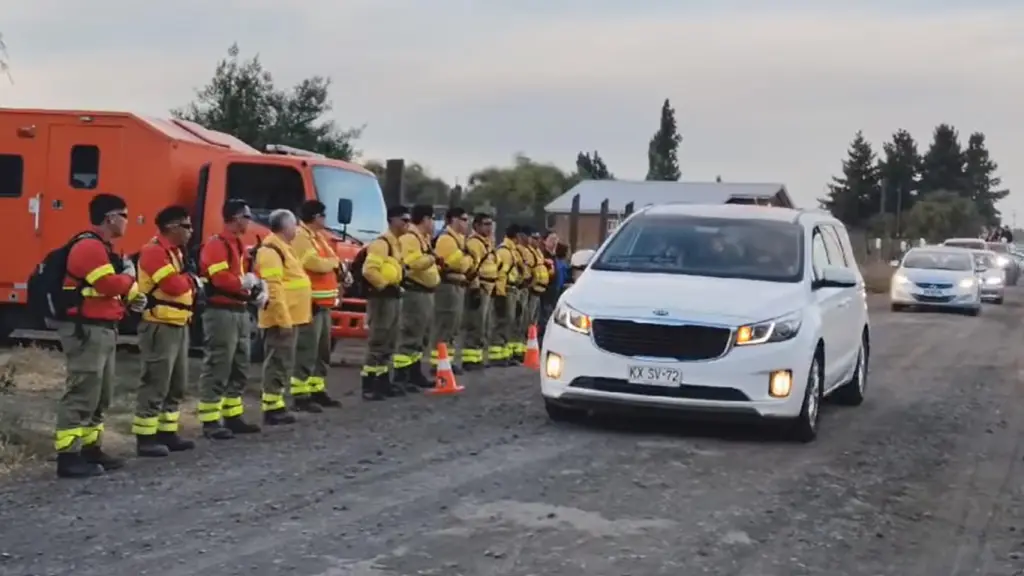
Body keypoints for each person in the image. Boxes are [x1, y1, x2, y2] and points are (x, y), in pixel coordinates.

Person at [54, 193, 144, 478]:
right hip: (87, 330)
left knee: (100, 394)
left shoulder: (103, 248)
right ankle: (68, 456)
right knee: (82, 391)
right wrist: (130, 277)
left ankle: (91, 449)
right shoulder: (89, 247)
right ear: (110, 218)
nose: (128, 222)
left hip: (102, 329)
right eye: (125, 215)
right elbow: (108, 284)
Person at [132, 205, 199, 458]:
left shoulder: (174, 253)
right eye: (186, 226)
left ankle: (166, 432)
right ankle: (145, 437)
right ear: (172, 227)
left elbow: (182, 283)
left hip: (178, 323)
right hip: (159, 324)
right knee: (155, 381)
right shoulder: (153, 252)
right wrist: (192, 281)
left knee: (176, 384)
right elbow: (173, 286)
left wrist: (188, 281)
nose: (191, 231)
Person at [197, 200, 264, 440]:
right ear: (235, 217)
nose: (249, 220)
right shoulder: (217, 244)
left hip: (238, 310)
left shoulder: (238, 245)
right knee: (219, 363)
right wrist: (242, 284)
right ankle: (210, 419)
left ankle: (232, 415)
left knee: (239, 364)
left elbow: (242, 275)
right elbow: (220, 278)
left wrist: (255, 285)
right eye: (247, 216)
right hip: (221, 311)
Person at [254, 209, 312, 425]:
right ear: (285, 227)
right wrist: (284, 320)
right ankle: (271, 408)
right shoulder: (271, 250)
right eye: (294, 225)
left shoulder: (284, 248)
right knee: (277, 361)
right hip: (280, 318)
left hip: (291, 316)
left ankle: (276, 404)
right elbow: (274, 288)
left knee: (283, 362)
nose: (296, 229)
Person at [290, 200, 343, 411]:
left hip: (324, 304)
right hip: (310, 303)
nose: (325, 219)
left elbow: (332, 258)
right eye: (322, 215)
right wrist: (333, 263)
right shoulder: (301, 237)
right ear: (315, 216)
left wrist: (332, 262)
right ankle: (300, 395)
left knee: (322, 351)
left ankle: (317, 389)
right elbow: (315, 264)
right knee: (307, 350)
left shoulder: (319, 237)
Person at [360, 205, 408, 400]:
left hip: (393, 296)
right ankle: (369, 384)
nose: (407, 224)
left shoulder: (396, 244)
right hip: (381, 298)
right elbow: (369, 270)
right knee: (378, 341)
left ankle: (382, 380)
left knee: (389, 341)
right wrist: (383, 285)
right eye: (404, 220)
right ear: (392, 220)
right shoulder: (381, 244)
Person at [395, 204, 441, 391]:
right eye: (432, 219)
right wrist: (431, 258)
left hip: (425, 292)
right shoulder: (411, 238)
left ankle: (414, 373)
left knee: (421, 336)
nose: (433, 224)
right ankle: (402, 376)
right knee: (410, 334)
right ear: (425, 219)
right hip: (415, 292)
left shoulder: (423, 238)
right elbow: (412, 262)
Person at [431, 207, 474, 373]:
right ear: (453, 220)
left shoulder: (460, 240)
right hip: (448, 286)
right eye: (463, 219)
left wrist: (466, 259)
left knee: (454, 326)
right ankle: (438, 363)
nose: (466, 223)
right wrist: (466, 259)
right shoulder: (447, 240)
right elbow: (453, 264)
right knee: (445, 325)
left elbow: (467, 263)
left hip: (458, 286)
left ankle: (446, 360)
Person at [461, 213, 498, 370]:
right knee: (476, 325)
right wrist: (475, 287)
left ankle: (477, 357)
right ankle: (470, 360)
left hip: (489, 287)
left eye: (490, 224)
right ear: (476, 226)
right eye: (485, 224)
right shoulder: (475, 243)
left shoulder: (487, 243)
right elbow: (472, 267)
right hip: (480, 286)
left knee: (484, 325)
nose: (489, 227)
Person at [491, 224, 521, 366]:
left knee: (509, 323)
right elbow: (501, 274)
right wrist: (500, 294)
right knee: (502, 322)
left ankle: (505, 355)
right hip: (506, 290)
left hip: (513, 290)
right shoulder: (504, 251)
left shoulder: (512, 250)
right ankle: (497, 356)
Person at [510, 225, 534, 361]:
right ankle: (514, 352)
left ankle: (519, 351)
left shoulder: (526, 251)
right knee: (514, 321)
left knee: (522, 321)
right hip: (516, 288)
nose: (529, 239)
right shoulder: (514, 250)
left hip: (526, 288)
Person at [525, 229, 550, 336]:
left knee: (535, 319)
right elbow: (528, 270)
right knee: (528, 317)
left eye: (538, 238)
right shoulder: (528, 251)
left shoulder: (538, 252)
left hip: (540, 289)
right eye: (534, 238)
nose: (537, 241)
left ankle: (532, 339)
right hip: (532, 289)